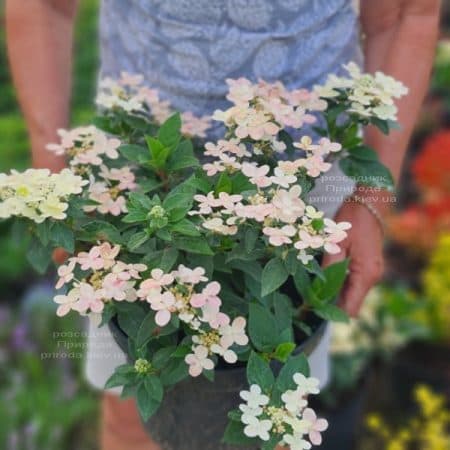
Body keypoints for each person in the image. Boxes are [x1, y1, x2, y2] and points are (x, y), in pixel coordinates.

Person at [6, 0, 440, 449]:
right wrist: (54, 176)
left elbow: (407, 14)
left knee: (272, 413)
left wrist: (370, 199)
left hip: (307, 176)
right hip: (135, 171)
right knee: (134, 416)